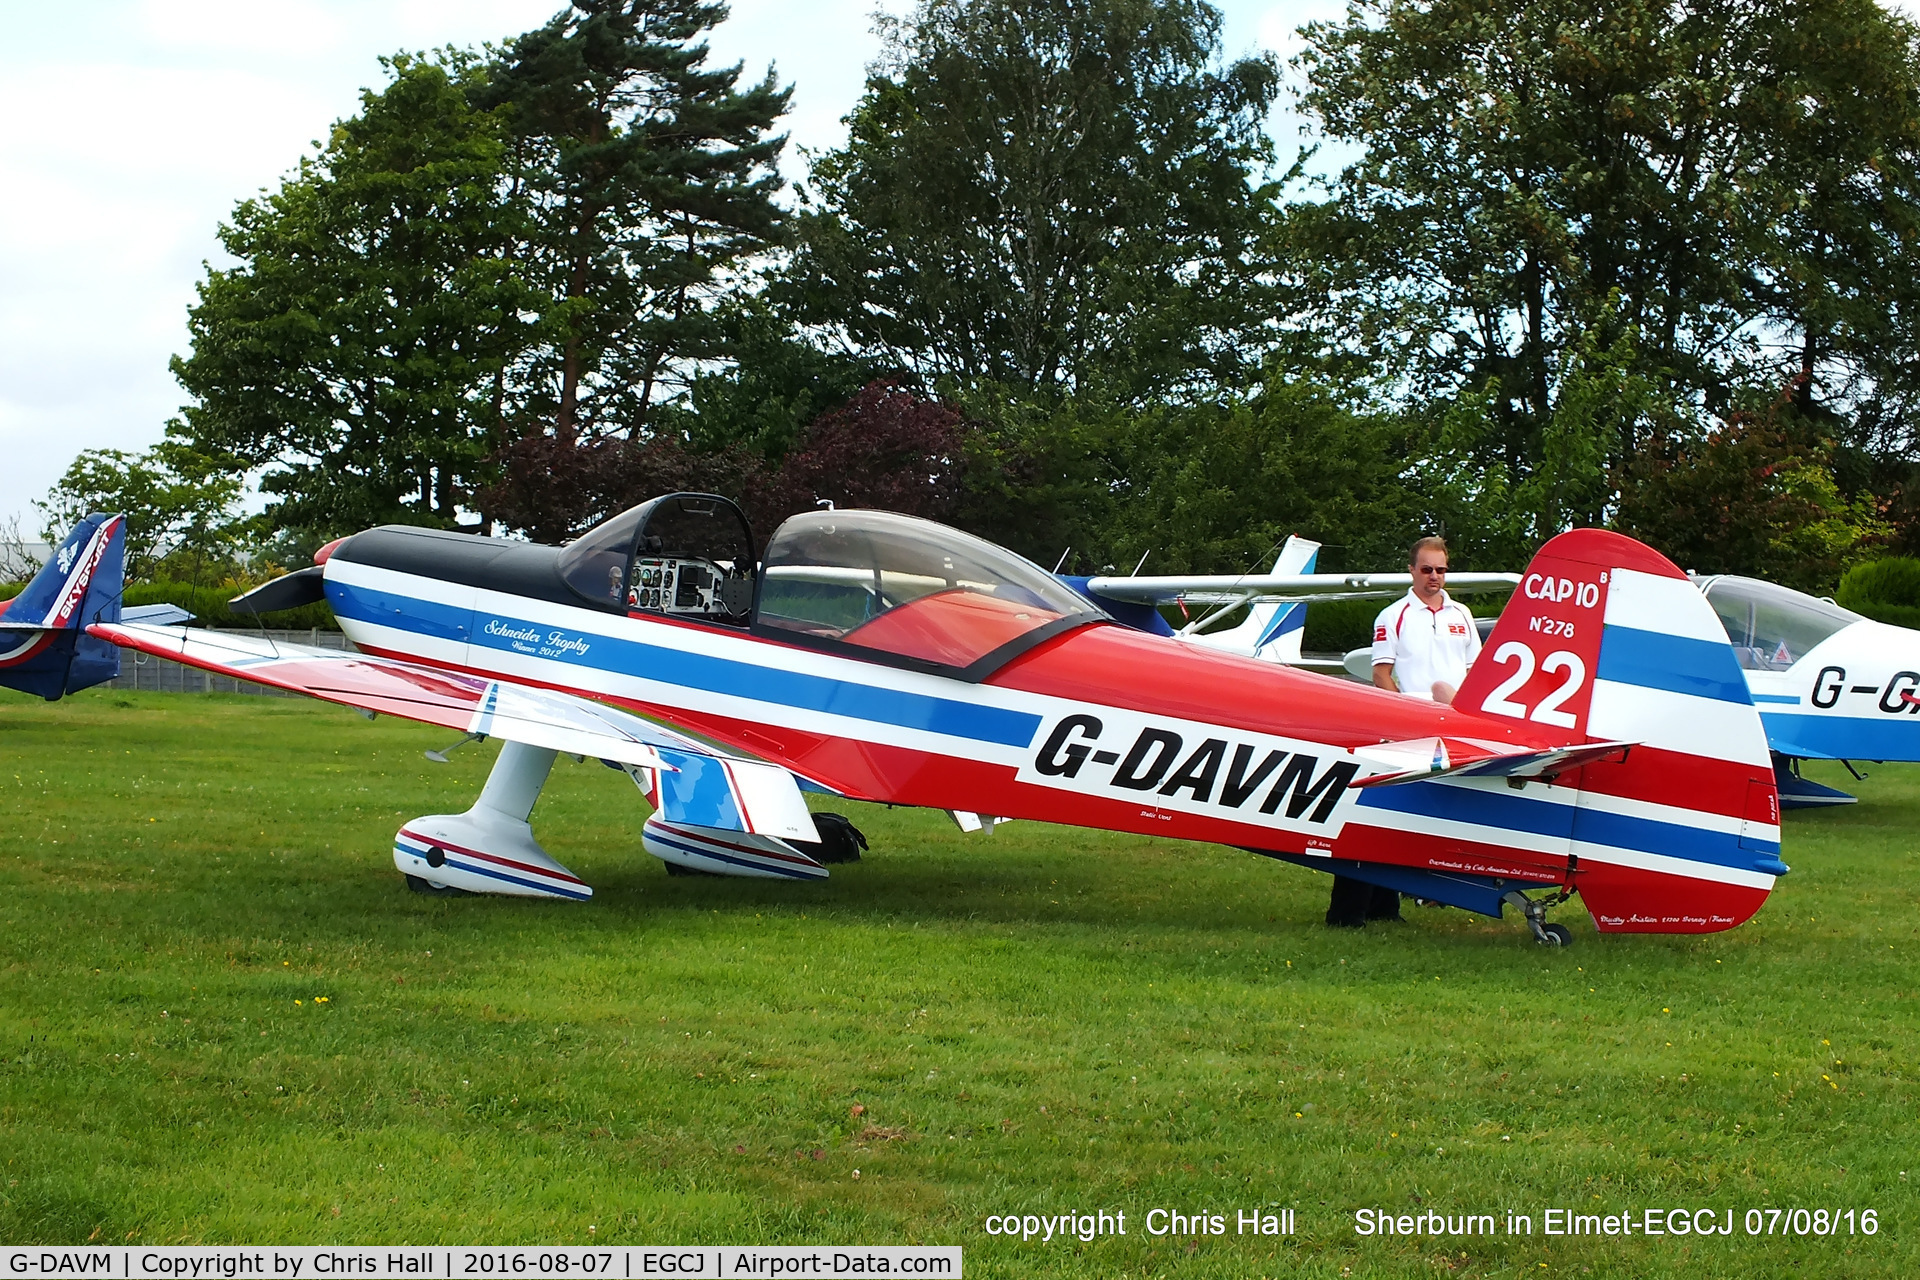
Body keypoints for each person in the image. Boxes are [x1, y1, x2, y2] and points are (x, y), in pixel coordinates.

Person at [1327, 535, 1481, 928]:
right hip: (1410, 727)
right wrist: (1403, 717)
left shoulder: (1461, 614)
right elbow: (1381, 675)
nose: (1434, 577)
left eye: (1441, 570)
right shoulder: (1393, 615)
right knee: (1380, 811)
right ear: (1412, 570)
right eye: (1427, 569)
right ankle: (1350, 911)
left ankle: (1386, 906)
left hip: (1454, 725)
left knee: (1416, 817)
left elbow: (1474, 674)